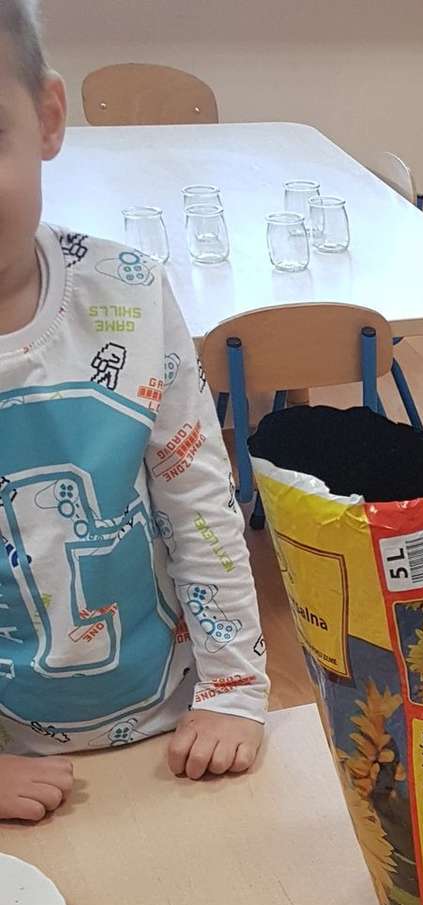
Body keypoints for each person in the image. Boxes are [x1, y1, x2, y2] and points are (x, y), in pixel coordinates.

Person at [0, 0, 267, 823]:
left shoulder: (130, 292)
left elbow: (200, 503)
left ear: (48, 118)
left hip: (172, 728)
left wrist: (234, 688)